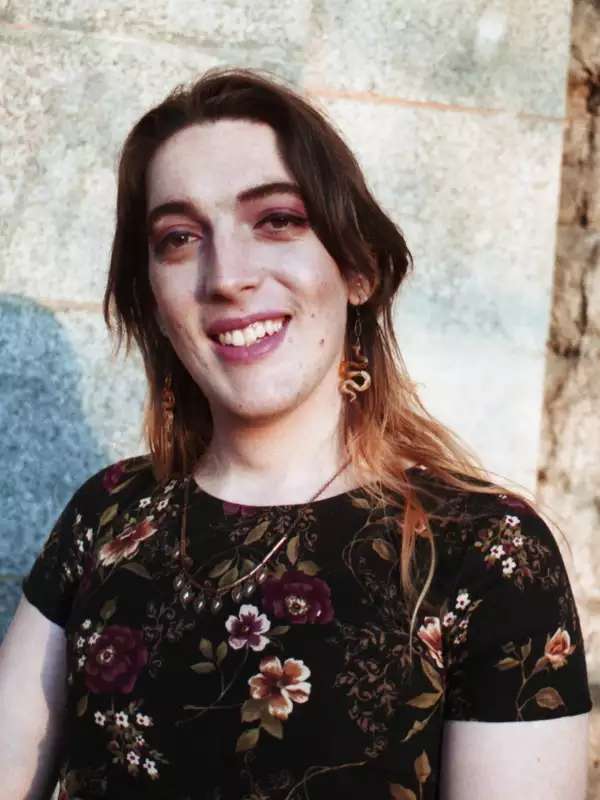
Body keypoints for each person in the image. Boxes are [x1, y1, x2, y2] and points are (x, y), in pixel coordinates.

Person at [0, 67, 592, 800]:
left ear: (359, 269)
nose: (228, 276)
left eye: (277, 220)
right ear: (153, 301)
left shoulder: (487, 553)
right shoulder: (108, 515)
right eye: (180, 237)